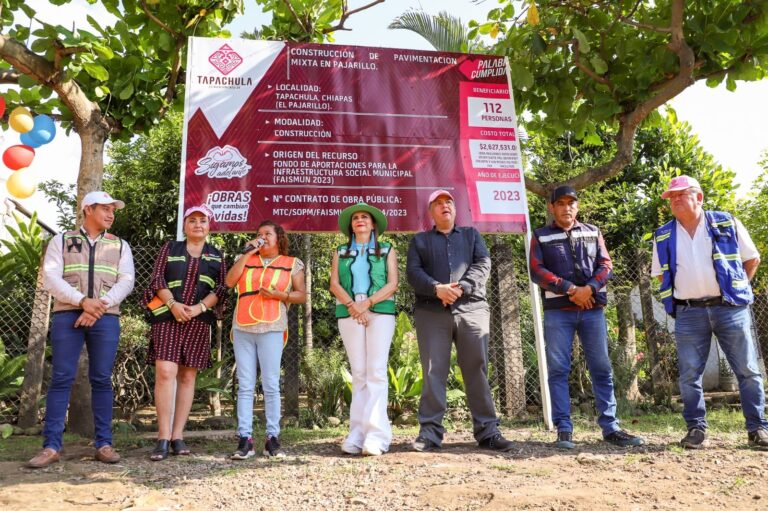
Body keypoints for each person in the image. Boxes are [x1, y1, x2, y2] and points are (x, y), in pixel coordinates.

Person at [652, 175, 768, 449]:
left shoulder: (726, 222)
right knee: (689, 375)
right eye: (672, 197)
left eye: (681, 194)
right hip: (689, 312)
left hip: (730, 309)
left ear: (699, 198)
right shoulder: (663, 235)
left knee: (748, 371)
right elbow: (660, 275)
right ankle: (696, 430)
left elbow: (751, 259)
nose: (676, 200)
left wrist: (736, 289)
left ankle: (758, 429)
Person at [529, 185, 644, 449]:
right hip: (559, 312)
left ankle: (611, 428)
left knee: (601, 369)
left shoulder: (593, 232)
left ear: (577, 207)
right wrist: (570, 289)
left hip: (592, 310)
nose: (566, 207)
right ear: (551, 207)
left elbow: (606, 265)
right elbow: (537, 271)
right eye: (561, 203)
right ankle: (564, 430)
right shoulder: (541, 235)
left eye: (571, 203)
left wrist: (589, 289)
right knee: (558, 370)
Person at [28, 191, 135, 468]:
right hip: (67, 315)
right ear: (88, 209)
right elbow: (51, 277)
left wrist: (99, 306)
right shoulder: (61, 241)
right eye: (105, 209)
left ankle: (104, 444)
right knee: (61, 378)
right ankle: (51, 447)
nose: (111, 214)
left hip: (106, 317)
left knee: (101, 379)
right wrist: (82, 302)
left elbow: (127, 280)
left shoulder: (120, 245)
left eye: (114, 210)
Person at [406, 190, 514, 452]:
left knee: (476, 368)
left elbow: (483, 264)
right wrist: (436, 288)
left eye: (449, 202)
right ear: (430, 213)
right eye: (438, 204)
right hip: (432, 312)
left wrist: (462, 287)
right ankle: (430, 434)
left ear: (455, 210)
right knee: (433, 371)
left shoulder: (471, 235)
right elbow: (413, 273)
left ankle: (488, 431)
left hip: (472, 309)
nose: (445, 207)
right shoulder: (419, 241)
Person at [142, 205, 228, 461]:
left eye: (203, 220)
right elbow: (157, 279)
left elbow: (222, 289)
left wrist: (200, 307)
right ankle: (162, 437)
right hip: (168, 317)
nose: (198, 225)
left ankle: (178, 436)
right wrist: (173, 305)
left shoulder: (217, 255)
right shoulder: (170, 248)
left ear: (209, 226)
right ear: (184, 225)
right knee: (166, 372)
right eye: (192, 220)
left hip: (198, 320)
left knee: (188, 377)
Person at [226, 220, 306, 459]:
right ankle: (245, 439)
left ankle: (272, 438)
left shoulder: (292, 263)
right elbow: (230, 282)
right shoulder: (246, 260)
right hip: (243, 327)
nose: (262, 237)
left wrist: (279, 295)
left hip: (272, 326)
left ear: (278, 238)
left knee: (271, 384)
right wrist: (246, 252)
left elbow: (301, 295)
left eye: (267, 233)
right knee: (245, 384)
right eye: (259, 234)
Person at [330, 203, 398, 456]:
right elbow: (334, 283)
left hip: (380, 311)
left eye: (364, 217)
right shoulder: (340, 251)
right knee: (358, 373)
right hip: (348, 312)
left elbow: (393, 283)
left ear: (373, 225)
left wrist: (367, 303)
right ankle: (356, 435)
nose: (360, 220)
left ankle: (377, 437)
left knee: (376, 372)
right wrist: (352, 306)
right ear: (351, 225)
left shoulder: (387, 249)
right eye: (356, 218)